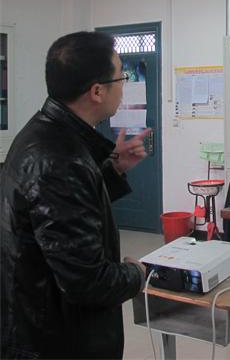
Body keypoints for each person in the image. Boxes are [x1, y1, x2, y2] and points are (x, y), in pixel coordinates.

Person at [1, 31, 152, 358]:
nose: (123, 87)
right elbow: (87, 281)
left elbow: (68, 210)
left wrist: (113, 170)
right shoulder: (58, 160)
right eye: (121, 78)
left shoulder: (47, 133)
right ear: (97, 91)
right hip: (54, 341)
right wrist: (136, 275)